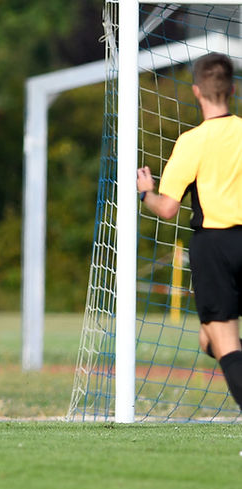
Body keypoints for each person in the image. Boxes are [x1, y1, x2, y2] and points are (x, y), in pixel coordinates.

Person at [136, 52, 242, 410]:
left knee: (223, 342)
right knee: (207, 340)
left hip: (214, 245)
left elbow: (168, 208)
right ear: (233, 89)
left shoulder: (192, 142)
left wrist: (146, 192)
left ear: (197, 91)